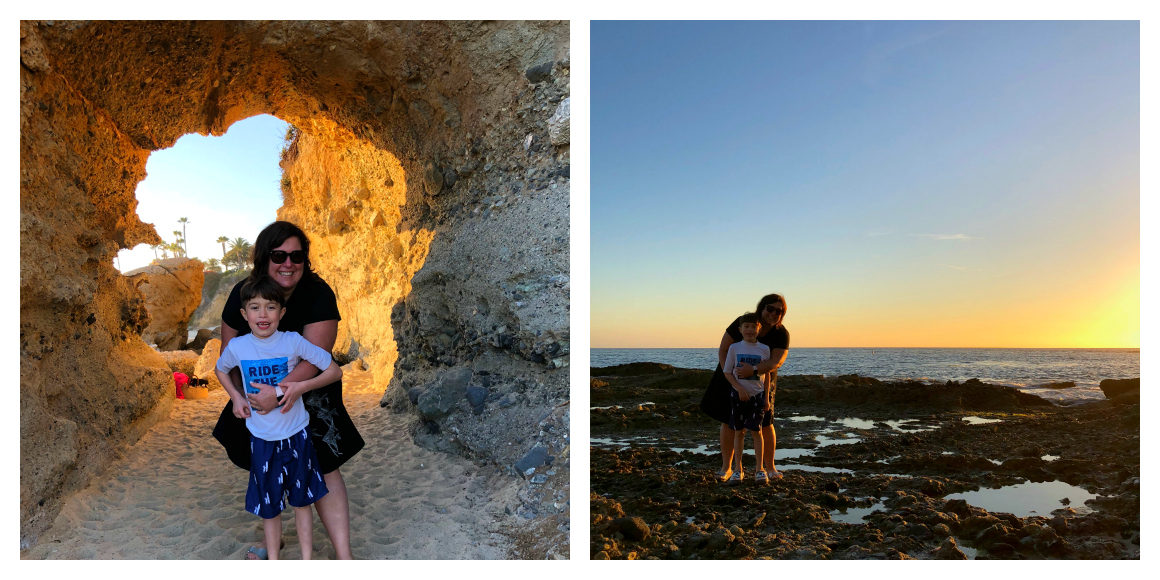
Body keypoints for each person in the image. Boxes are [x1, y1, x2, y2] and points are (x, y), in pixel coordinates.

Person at [212, 221, 364, 560]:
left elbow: (317, 360)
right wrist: (246, 398)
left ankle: (344, 557)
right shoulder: (244, 292)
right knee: (266, 465)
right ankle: (272, 541)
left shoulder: (317, 293)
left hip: (310, 388)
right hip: (257, 390)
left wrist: (278, 394)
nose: (288, 263)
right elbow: (231, 352)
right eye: (279, 255)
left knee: (323, 465)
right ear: (264, 258)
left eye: (297, 256)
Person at [215, 276, 339, 560]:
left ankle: (306, 560)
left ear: (282, 314)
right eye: (255, 308)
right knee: (269, 507)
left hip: (297, 435)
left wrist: (299, 387)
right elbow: (221, 370)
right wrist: (236, 397)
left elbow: (334, 371)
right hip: (261, 439)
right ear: (244, 315)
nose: (263, 314)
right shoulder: (238, 347)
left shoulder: (293, 341)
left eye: (271, 307)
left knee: (302, 502)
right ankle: (273, 560)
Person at [700, 293, 789, 483]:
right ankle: (727, 468)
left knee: (765, 423)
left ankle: (769, 467)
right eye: (770, 309)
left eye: (779, 311)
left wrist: (753, 370)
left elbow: (776, 362)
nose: (774, 313)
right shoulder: (743, 322)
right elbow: (724, 349)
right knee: (728, 420)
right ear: (761, 308)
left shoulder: (781, 334)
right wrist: (729, 375)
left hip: (761, 382)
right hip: (731, 377)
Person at [721, 313, 771, 484]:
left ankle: (760, 469)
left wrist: (767, 398)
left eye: (753, 326)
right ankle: (738, 470)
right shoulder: (735, 348)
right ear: (740, 329)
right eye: (746, 327)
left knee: (757, 432)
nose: (750, 330)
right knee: (739, 432)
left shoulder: (764, 349)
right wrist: (739, 388)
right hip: (738, 396)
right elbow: (727, 372)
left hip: (757, 396)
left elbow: (767, 374)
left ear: (759, 328)